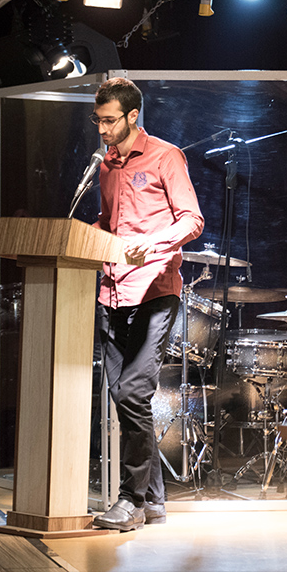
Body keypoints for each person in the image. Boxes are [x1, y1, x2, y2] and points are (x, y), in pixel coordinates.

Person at [90, 78, 204, 531]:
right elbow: (107, 222)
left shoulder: (165, 156)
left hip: (154, 290)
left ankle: (131, 500)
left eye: (109, 120)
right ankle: (154, 500)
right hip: (112, 290)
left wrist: (153, 244)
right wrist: (84, 240)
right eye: (98, 120)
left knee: (132, 393)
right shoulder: (106, 166)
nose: (102, 129)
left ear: (132, 115)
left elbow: (192, 220)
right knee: (126, 400)